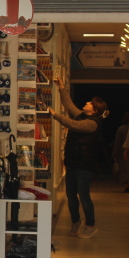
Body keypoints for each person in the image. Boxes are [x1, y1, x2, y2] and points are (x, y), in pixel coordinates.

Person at [48, 77, 108, 239]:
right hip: (73, 163)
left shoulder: (92, 123)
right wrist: (61, 88)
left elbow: (73, 125)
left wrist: (56, 116)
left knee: (84, 195)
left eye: (90, 103)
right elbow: (70, 106)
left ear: (94, 110)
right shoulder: (82, 116)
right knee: (71, 195)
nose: (87, 103)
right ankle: (76, 221)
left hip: (84, 166)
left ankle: (90, 224)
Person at [113, 111, 129, 193]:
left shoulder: (121, 129)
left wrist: (115, 154)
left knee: (125, 170)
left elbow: (117, 142)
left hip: (123, 151)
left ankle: (128, 185)